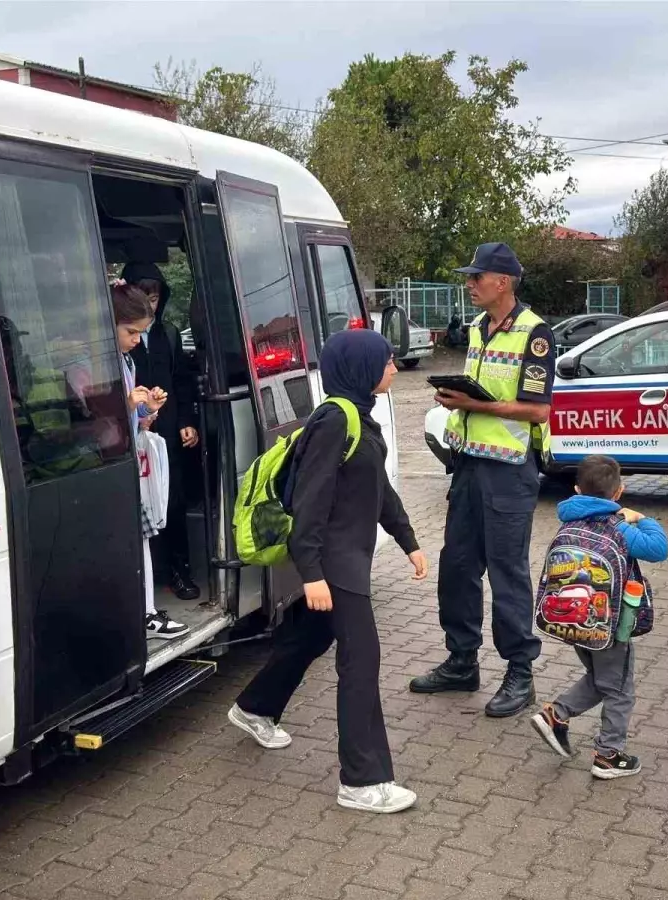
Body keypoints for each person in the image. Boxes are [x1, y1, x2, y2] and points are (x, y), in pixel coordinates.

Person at [227, 329, 429, 814]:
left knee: (312, 639)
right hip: (335, 564)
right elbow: (308, 504)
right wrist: (312, 573)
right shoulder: (335, 421)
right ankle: (362, 782)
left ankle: (254, 708)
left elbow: (378, 489)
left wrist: (409, 542)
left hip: (346, 559)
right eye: (386, 361)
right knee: (361, 663)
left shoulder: (359, 417)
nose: (395, 369)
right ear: (361, 368)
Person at [409, 242, 555, 717]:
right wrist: (454, 399)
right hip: (469, 462)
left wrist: (474, 405)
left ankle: (520, 673)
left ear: (504, 282)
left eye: (477, 277)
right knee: (457, 565)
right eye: (469, 277)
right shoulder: (477, 327)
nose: (469, 284)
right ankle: (461, 661)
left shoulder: (535, 334)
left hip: (509, 468)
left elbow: (537, 409)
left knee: (507, 569)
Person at [530, 455, 668, 779]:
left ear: (577, 489)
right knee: (619, 688)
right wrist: (640, 517)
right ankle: (609, 755)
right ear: (619, 492)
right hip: (610, 624)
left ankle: (556, 715)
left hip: (574, 623)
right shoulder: (621, 529)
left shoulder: (569, 523)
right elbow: (659, 548)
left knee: (603, 679)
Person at [112, 281, 189, 641]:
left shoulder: (125, 360)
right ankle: (140, 615)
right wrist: (127, 408)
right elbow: (93, 425)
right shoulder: (99, 366)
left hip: (128, 462)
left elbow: (128, 420)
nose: (137, 341)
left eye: (141, 333)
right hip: (113, 467)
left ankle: (144, 612)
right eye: (131, 332)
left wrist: (145, 412)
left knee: (142, 539)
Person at [122, 261, 201, 602]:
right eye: (144, 296)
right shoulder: (122, 337)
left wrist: (186, 419)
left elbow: (181, 380)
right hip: (135, 430)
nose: (151, 305)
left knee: (172, 501)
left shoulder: (168, 333)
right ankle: (146, 579)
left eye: (155, 297)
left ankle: (178, 570)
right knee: (140, 507)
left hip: (165, 432)